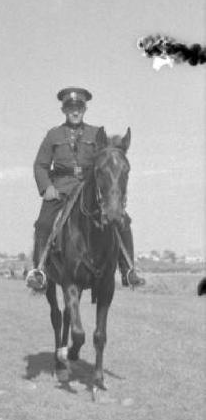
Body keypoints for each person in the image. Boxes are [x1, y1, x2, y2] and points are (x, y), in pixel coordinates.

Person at [26, 87, 145, 291]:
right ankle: (39, 272)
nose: (75, 111)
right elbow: (40, 165)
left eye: (79, 107)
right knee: (43, 223)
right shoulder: (53, 135)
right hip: (60, 190)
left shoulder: (97, 133)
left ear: (84, 109)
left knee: (123, 219)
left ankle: (128, 270)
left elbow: (108, 159)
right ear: (64, 110)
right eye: (71, 107)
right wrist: (47, 188)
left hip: (87, 189)